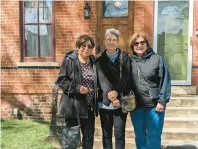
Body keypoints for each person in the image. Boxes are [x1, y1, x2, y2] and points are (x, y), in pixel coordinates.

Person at [129, 32, 171, 149]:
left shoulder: (157, 59)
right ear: (132, 46)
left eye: (142, 42)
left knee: (154, 136)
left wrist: (162, 101)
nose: (139, 45)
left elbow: (165, 81)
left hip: (154, 106)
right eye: (136, 43)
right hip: (136, 107)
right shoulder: (129, 61)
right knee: (140, 136)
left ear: (147, 44)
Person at [56, 35, 98, 149]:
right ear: (78, 46)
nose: (86, 48)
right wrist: (77, 88)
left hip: (89, 107)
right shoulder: (69, 60)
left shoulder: (93, 61)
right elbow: (61, 81)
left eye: (89, 46)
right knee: (70, 142)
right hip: (73, 107)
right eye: (83, 46)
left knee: (88, 139)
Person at [96, 28, 131, 149]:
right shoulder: (99, 59)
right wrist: (111, 96)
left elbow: (126, 77)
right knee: (106, 134)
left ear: (118, 42)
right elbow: (102, 79)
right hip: (105, 101)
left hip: (120, 100)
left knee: (119, 133)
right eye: (109, 39)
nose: (111, 42)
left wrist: (116, 92)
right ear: (104, 41)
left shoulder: (125, 57)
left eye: (114, 39)